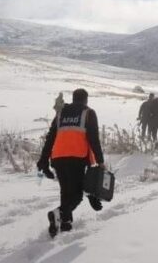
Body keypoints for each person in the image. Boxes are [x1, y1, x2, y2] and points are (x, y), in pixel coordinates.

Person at [37, 88, 105, 238]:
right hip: (77, 157)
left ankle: (65, 223)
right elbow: (94, 139)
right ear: (86, 100)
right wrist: (100, 161)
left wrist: (43, 161)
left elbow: (50, 138)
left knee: (66, 191)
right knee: (77, 195)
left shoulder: (60, 113)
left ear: (73, 99)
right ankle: (59, 213)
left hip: (58, 158)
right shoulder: (88, 113)